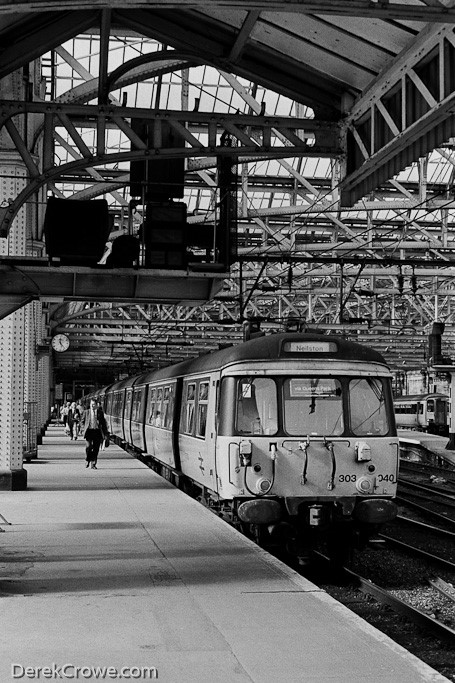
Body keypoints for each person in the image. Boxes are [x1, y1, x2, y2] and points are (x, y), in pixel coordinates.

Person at [81, 398, 108, 469]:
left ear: (96, 405)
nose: (92, 406)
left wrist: (105, 434)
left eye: (94, 405)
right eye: (91, 404)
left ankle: (93, 463)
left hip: (97, 432)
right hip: (89, 432)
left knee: (96, 449)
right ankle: (87, 459)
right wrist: (83, 428)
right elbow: (82, 421)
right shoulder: (86, 412)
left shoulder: (100, 413)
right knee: (88, 447)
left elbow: (103, 424)